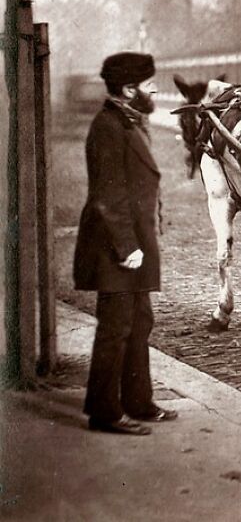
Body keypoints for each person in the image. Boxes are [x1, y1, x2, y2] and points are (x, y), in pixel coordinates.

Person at [73, 51, 177, 435]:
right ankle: (104, 411)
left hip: (132, 244)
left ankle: (137, 400)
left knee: (139, 322)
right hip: (115, 247)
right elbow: (107, 196)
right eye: (149, 85)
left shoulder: (127, 121)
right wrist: (127, 246)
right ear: (129, 89)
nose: (154, 89)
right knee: (115, 327)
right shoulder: (108, 127)